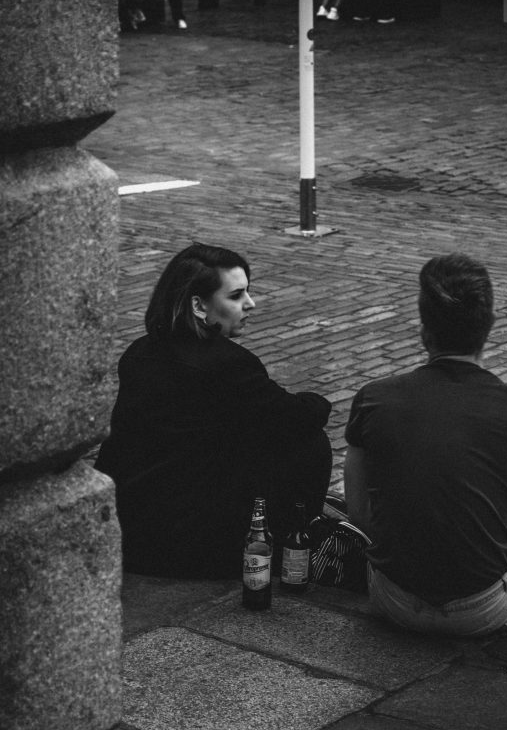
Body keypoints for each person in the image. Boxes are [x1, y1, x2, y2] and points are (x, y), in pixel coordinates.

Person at [344, 253, 507, 638]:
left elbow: (360, 514)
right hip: (480, 610)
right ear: (488, 328)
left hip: (392, 597)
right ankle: (502, 637)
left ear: (424, 332)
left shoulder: (372, 399)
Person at [95, 242, 332, 578]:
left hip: (130, 526)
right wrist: (318, 400)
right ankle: (291, 541)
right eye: (236, 296)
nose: (250, 304)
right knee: (310, 443)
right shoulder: (229, 364)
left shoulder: (139, 352)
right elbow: (298, 417)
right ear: (198, 304)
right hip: (189, 544)